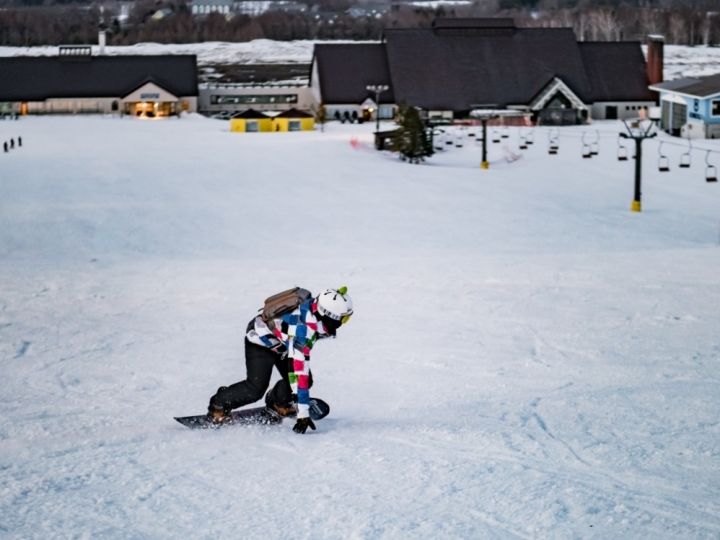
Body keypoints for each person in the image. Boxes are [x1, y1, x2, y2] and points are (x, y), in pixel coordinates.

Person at [207, 286, 353, 434]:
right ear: (330, 316)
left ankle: (278, 402)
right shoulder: (302, 331)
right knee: (256, 388)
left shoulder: (314, 311)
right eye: (344, 318)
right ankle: (219, 404)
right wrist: (302, 413)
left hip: (283, 344)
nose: (344, 321)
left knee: (305, 381)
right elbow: (298, 372)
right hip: (261, 341)